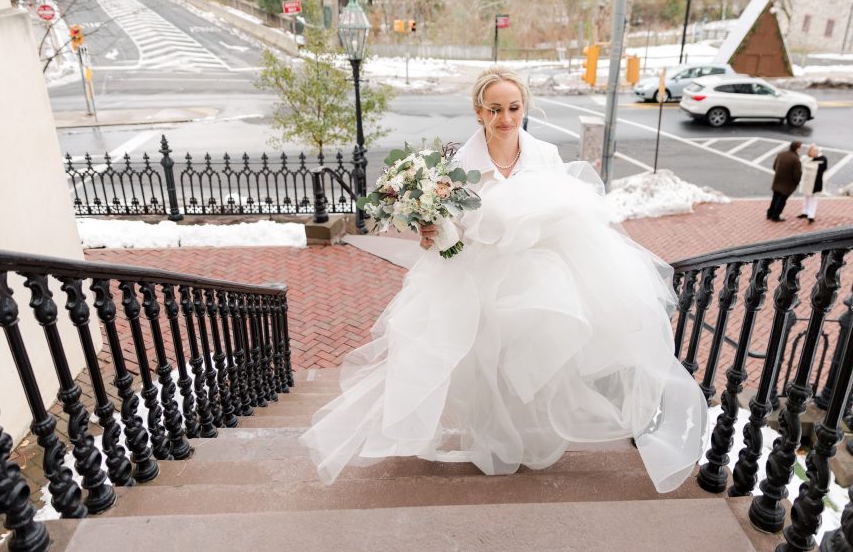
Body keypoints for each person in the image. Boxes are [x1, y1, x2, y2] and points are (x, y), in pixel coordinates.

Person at [299, 66, 708, 493]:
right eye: (495, 109)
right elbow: (446, 231)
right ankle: (492, 442)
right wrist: (431, 232)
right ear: (479, 111)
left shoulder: (546, 156)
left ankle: (529, 438)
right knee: (482, 369)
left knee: (530, 369)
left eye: (513, 108)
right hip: (474, 279)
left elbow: (569, 218)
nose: (506, 118)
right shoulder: (455, 166)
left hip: (537, 283)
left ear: (524, 107)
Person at [767, 141, 802, 222]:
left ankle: (770, 214)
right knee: (781, 200)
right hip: (787, 184)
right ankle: (775, 216)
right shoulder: (796, 159)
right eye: (800, 147)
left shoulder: (781, 154)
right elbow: (797, 174)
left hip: (777, 180)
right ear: (797, 148)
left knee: (775, 198)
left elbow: (775, 166)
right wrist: (797, 182)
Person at [798, 145, 828, 224]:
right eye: (814, 151)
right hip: (807, 182)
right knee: (806, 198)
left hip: (816, 183)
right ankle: (805, 212)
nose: (815, 152)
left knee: (813, 199)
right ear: (809, 151)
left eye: (817, 151)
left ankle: (811, 216)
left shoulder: (822, 160)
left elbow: (824, 167)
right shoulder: (804, 158)